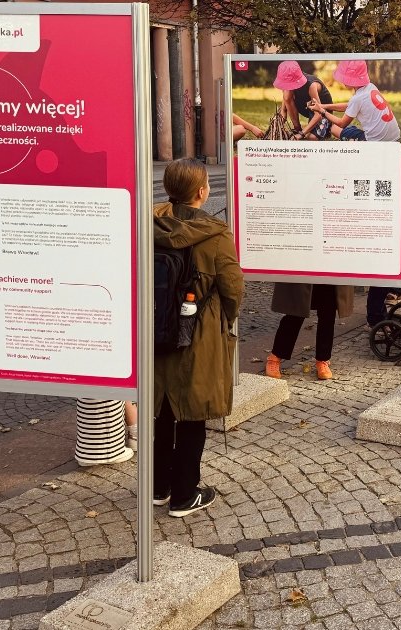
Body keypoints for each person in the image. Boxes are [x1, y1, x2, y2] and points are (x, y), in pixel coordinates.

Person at [152, 159, 244, 517]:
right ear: (202, 192)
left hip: (156, 328)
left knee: (161, 410)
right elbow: (233, 287)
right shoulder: (216, 235)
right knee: (191, 412)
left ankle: (159, 487)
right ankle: (185, 494)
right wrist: (226, 318)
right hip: (198, 332)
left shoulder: (150, 225)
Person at [307, 59, 401, 326]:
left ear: (349, 80)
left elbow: (343, 116)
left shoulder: (359, 98)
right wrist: (324, 105)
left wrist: (322, 113)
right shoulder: (369, 89)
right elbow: (348, 106)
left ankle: (325, 134)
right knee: (348, 127)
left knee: (344, 130)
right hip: (390, 140)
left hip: (374, 145)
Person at [265, 282, 353, 381]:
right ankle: (275, 357)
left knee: (328, 313)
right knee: (296, 312)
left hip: (328, 272)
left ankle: (323, 359)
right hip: (305, 271)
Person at [274, 60, 338, 141]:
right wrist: (279, 124)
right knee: (287, 95)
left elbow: (318, 114)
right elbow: (284, 108)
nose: (287, 87)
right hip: (306, 107)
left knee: (312, 137)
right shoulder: (287, 87)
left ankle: (327, 126)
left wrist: (301, 134)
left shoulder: (312, 85)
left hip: (322, 111)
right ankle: (297, 128)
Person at [74, 399, 137, 466]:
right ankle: (135, 433)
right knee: (124, 390)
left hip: (83, 454)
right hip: (111, 452)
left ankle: (89, 452)